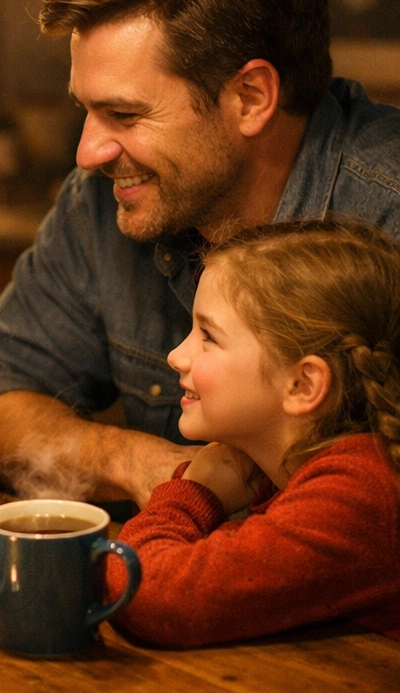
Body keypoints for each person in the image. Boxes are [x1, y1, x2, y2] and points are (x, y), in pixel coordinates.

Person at [0, 0, 400, 508]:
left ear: (251, 97)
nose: (87, 153)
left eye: (124, 115)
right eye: (85, 110)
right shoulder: (103, 201)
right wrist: (141, 464)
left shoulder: (386, 209)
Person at [105, 219, 400, 646]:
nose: (176, 356)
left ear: (302, 385)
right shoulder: (293, 473)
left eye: (208, 336)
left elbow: (145, 593)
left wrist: (193, 494)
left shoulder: (358, 493)